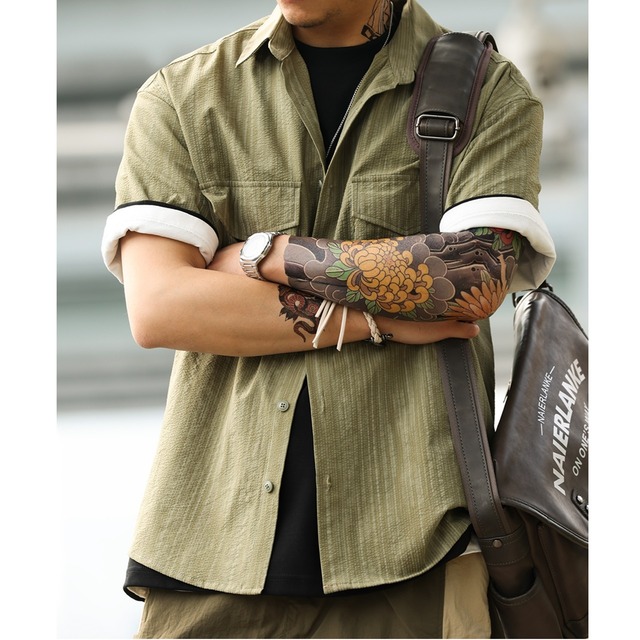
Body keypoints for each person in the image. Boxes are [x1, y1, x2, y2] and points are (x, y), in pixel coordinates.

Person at [101, 0, 556, 637]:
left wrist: (265, 254)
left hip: (416, 548)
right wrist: (382, 320)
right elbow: (160, 307)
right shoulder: (184, 96)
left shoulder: (487, 90)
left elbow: (472, 276)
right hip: (209, 551)